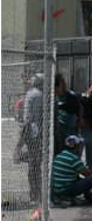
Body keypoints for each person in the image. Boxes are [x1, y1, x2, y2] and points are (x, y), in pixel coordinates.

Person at [15, 74, 45, 209]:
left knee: (33, 166)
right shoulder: (39, 94)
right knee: (35, 165)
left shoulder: (32, 94)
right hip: (36, 132)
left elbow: (27, 119)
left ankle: (35, 194)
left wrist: (20, 142)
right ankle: (36, 194)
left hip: (32, 132)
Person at [54, 74, 81, 155]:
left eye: (63, 82)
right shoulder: (54, 97)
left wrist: (79, 122)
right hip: (60, 128)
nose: (63, 84)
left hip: (71, 128)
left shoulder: (71, 96)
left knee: (72, 152)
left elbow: (79, 109)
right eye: (61, 82)